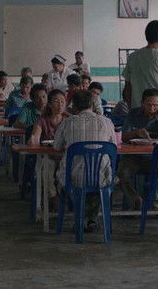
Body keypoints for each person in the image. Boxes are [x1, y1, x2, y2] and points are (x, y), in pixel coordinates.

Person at [52, 90, 117, 232]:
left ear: (74, 107)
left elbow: (56, 146)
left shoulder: (67, 123)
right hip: (101, 178)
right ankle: (90, 218)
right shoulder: (107, 122)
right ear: (93, 105)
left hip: (72, 179)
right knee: (99, 180)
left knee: (70, 180)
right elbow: (114, 146)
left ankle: (80, 218)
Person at [117, 89, 158, 209]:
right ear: (142, 103)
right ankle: (136, 200)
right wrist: (136, 132)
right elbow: (123, 137)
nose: (152, 108)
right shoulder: (133, 113)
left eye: (155, 105)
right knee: (122, 172)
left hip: (153, 158)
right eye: (149, 105)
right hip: (133, 157)